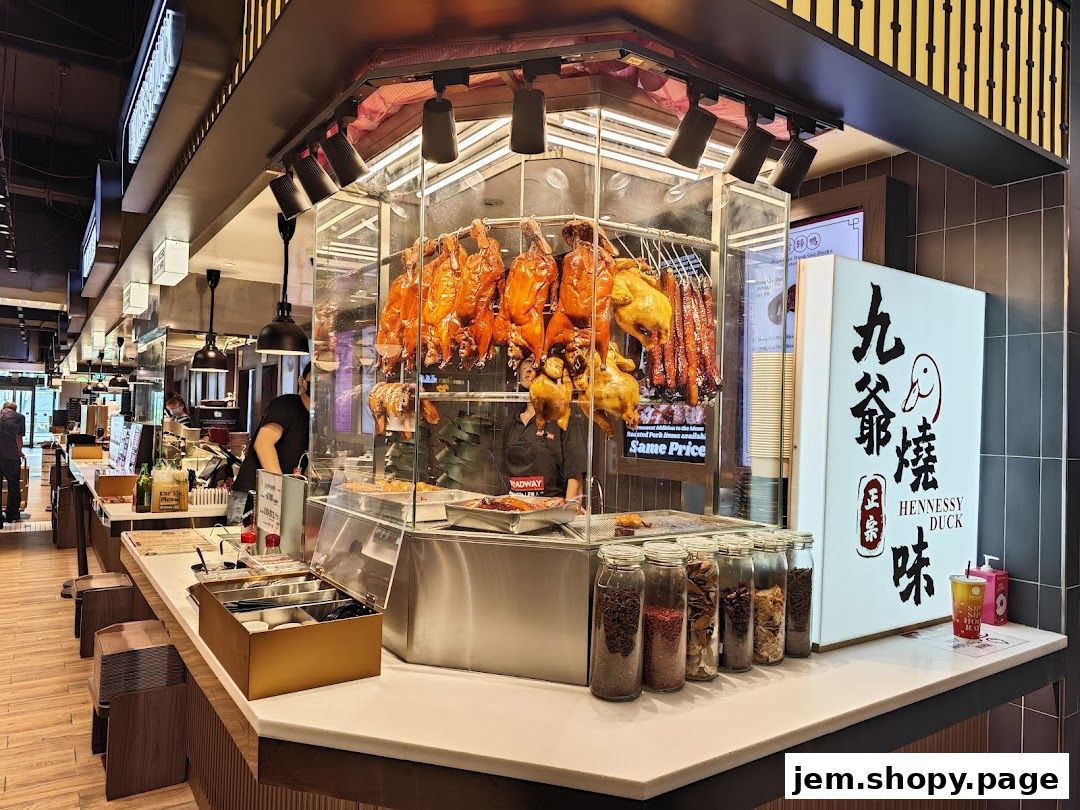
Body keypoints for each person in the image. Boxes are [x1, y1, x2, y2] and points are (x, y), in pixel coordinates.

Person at [228, 363, 311, 524]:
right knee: (241, 545)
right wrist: (282, 488)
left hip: (278, 498)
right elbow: (263, 444)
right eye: (315, 381)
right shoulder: (286, 404)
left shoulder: (317, 417)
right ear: (302, 381)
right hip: (252, 494)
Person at [495, 363, 587, 501]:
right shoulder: (511, 421)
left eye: (534, 362)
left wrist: (570, 510)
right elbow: (501, 472)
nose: (530, 368)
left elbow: (575, 474)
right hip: (515, 508)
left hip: (550, 511)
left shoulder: (562, 418)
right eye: (525, 362)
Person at [0, 402, 25, 526]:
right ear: (15, 409)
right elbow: (18, 437)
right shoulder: (19, 417)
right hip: (10, 457)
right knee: (13, 486)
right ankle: (12, 515)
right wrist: (20, 451)